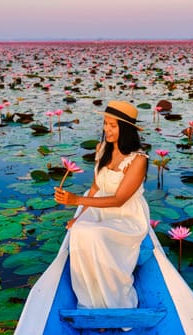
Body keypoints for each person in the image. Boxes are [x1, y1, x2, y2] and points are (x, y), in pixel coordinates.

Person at [55, 100, 150, 313]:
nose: (107, 129)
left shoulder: (138, 160)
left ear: (125, 129)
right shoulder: (102, 149)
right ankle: (91, 302)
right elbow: (96, 186)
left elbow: (119, 200)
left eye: (113, 126)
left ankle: (114, 301)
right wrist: (79, 217)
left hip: (126, 216)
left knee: (95, 236)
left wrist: (76, 200)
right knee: (79, 231)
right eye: (105, 124)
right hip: (99, 206)